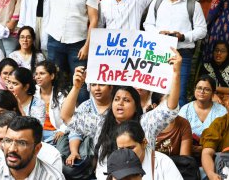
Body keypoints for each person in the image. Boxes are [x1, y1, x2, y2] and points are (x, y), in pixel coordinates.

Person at [62, 48, 182, 179]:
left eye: (126, 100)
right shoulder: (100, 124)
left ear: (136, 106)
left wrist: (176, 74)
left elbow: (169, 108)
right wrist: (76, 87)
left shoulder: (147, 123)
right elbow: (67, 116)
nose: (120, 103)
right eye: (116, 99)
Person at [144, 0, 206, 107]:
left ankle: (180, 127)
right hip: (158, 54)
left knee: (180, 94)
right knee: (157, 92)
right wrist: (159, 34)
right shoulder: (157, 3)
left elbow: (202, 30)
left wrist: (183, 37)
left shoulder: (193, 5)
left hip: (183, 54)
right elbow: (147, 24)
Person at [0, 116, 65, 179]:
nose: (12, 149)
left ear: (37, 149)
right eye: (8, 141)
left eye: (21, 143)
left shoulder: (53, 177)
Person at [116, 120, 183, 180]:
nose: (126, 153)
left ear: (144, 143)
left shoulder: (163, 162)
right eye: (121, 149)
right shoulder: (114, 164)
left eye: (130, 148)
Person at [179, 75, 227, 156]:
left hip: (213, 153)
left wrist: (206, 147)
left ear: (213, 93)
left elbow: (224, 136)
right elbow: (179, 133)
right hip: (187, 152)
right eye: (199, 88)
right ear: (194, 90)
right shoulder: (185, 109)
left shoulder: (221, 111)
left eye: (207, 89)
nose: (202, 92)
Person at [34, 60, 67, 144]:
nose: (37, 77)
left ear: (52, 76)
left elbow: (71, 117)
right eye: (36, 74)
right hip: (36, 133)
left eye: (42, 73)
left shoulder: (61, 94)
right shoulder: (32, 92)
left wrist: (62, 130)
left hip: (56, 134)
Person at [201, 41, 229, 106]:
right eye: (216, 50)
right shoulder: (206, 66)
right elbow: (200, 86)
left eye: (223, 51)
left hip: (227, 100)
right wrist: (212, 95)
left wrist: (213, 89)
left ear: (228, 53)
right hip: (207, 97)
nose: (219, 53)